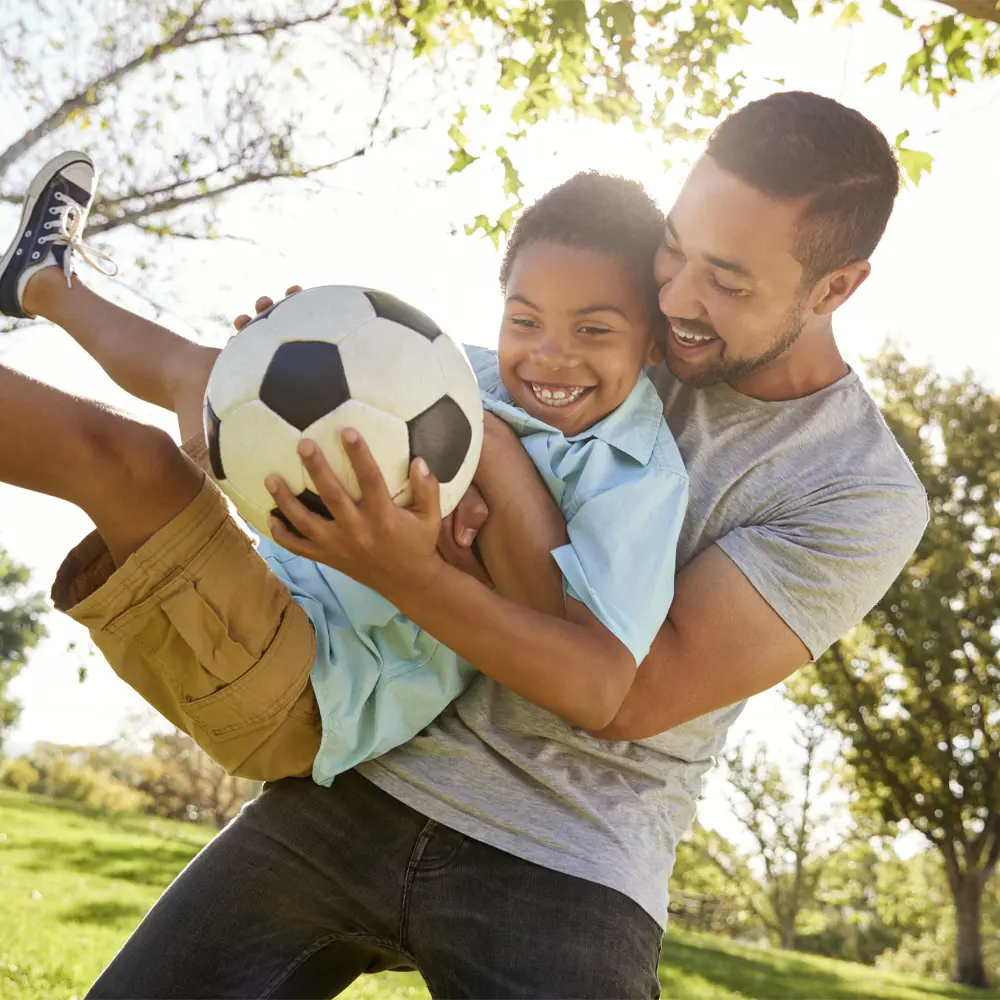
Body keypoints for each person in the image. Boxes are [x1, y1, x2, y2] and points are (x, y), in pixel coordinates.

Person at [15, 91, 930, 998]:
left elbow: (623, 696)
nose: (679, 295)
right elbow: (295, 392)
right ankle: (45, 285)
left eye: (727, 280)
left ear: (837, 287)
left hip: (568, 851)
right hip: (364, 770)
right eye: (677, 251)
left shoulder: (855, 488)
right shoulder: (578, 329)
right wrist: (293, 360)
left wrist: (414, 559)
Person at [0, 163, 687, 785]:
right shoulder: (459, 371)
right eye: (525, 321)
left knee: (131, 465)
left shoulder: (636, 475)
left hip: (312, 688)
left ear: (654, 341)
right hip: (276, 572)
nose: (550, 357)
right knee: (209, 374)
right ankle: (42, 283)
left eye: (593, 332)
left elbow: (590, 678)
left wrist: (490, 455)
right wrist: (279, 358)